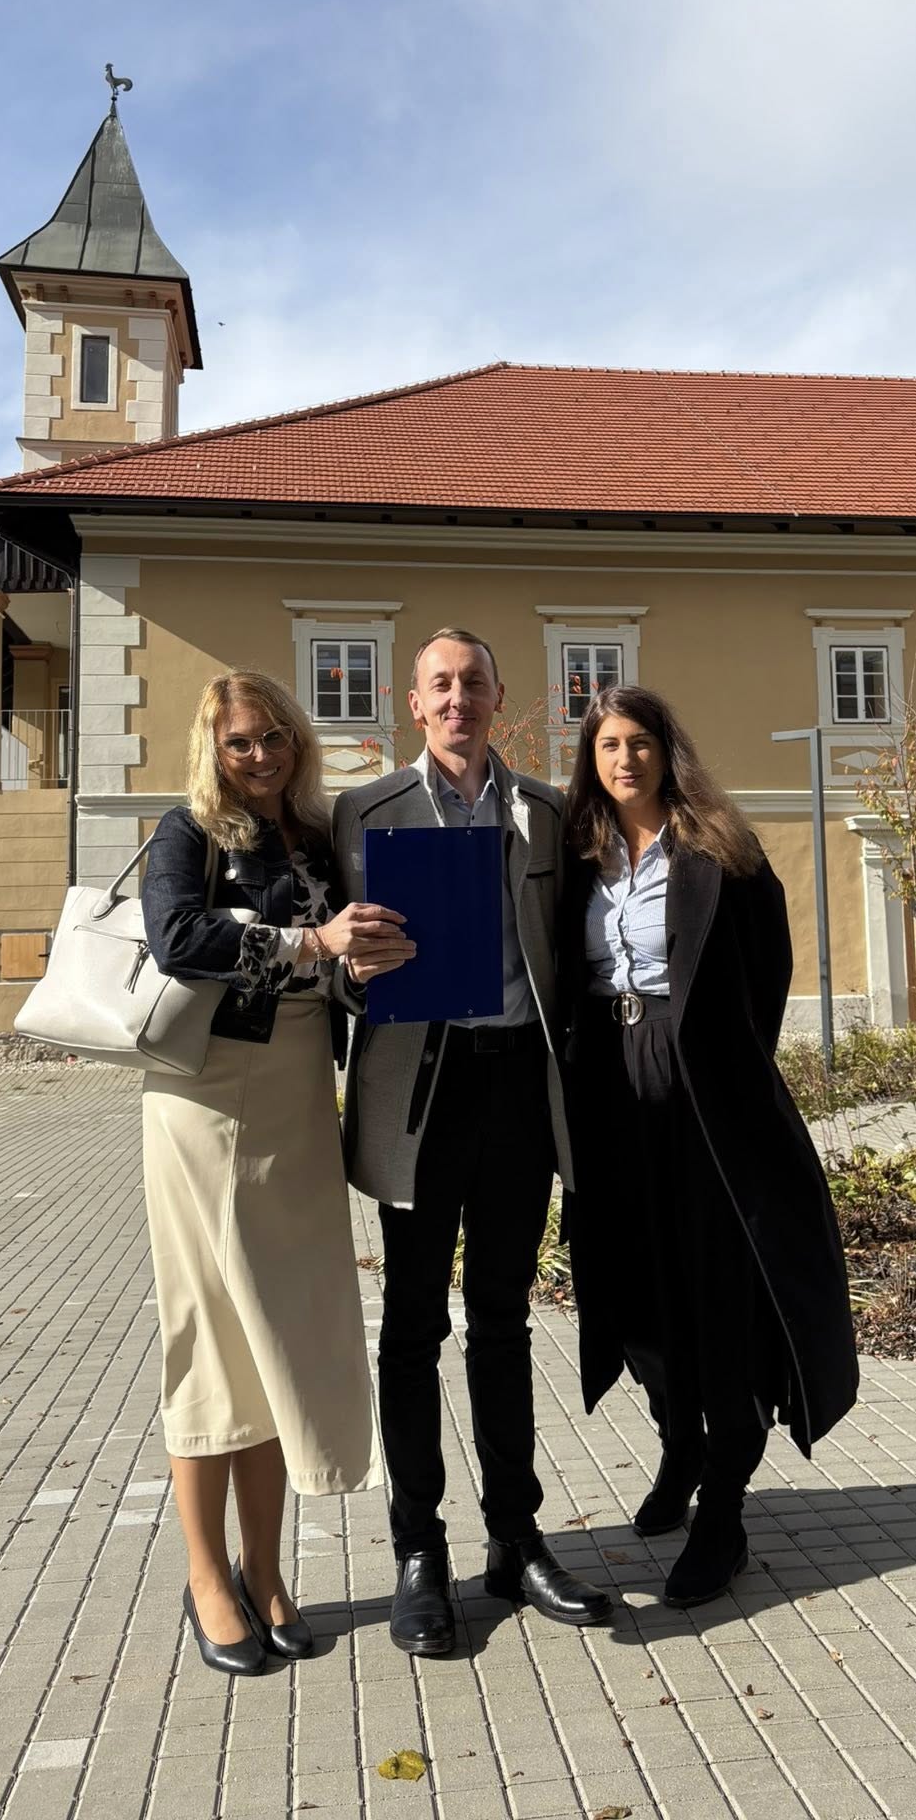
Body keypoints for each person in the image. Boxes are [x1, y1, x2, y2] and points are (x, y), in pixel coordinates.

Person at [331, 627, 612, 1658]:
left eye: (474, 682)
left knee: (503, 1320)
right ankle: (418, 1553)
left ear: (499, 696)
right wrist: (343, 968)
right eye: (440, 684)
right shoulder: (361, 811)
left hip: (514, 1091)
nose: (458, 698)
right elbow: (325, 951)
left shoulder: (542, 808)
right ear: (415, 703)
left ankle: (515, 1538)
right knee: (411, 1328)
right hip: (418, 1089)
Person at [561, 685, 859, 1608]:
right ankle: (678, 1443)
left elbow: (767, 974)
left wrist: (720, 1073)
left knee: (715, 1292)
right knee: (633, 1283)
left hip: (702, 1094)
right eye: (608, 745)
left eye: (640, 742)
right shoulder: (579, 856)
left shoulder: (722, 852)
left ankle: (725, 1502)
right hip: (607, 1087)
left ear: (666, 750)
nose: (624, 760)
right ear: (592, 759)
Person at [141, 670, 412, 1676]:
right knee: (211, 1330)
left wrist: (360, 959)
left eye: (274, 738)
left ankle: (266, 1569)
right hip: (207, 1098)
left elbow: (338, 957)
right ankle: (208, 1574)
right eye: (240, 742)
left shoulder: (311, 835)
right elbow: (178, 938)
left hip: (297, 1090)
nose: (260, 756)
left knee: (277, 1331)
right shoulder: (187, 831)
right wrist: (310, 940)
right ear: (213, 749)